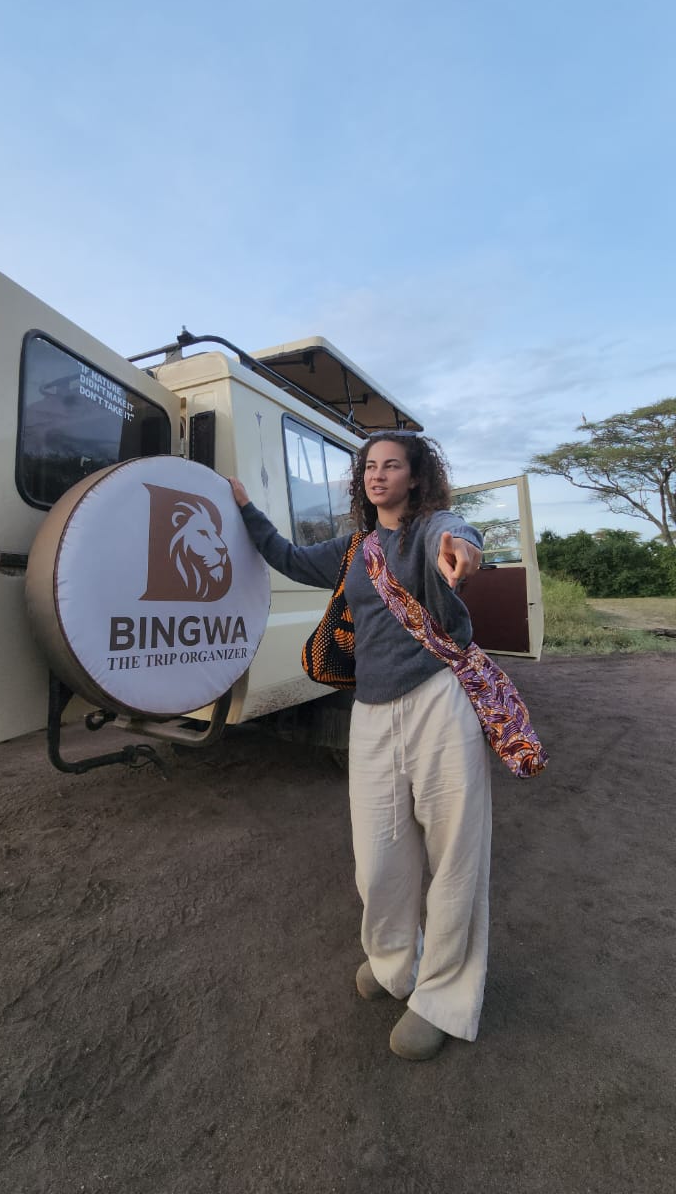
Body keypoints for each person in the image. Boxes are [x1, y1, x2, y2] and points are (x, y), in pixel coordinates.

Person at [229, 432, 489, 1061]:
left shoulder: (430, 532)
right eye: (370, 466)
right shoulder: (354, 548)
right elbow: (288, 557)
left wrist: (464, 549)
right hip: (370, 710)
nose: (378, 475)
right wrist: (245, 509)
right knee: (378, 855)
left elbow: (456, 533)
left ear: (416, 477)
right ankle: (396, 961)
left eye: (391, 465)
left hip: (438, 698)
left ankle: (443, 997)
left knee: (455, 855)